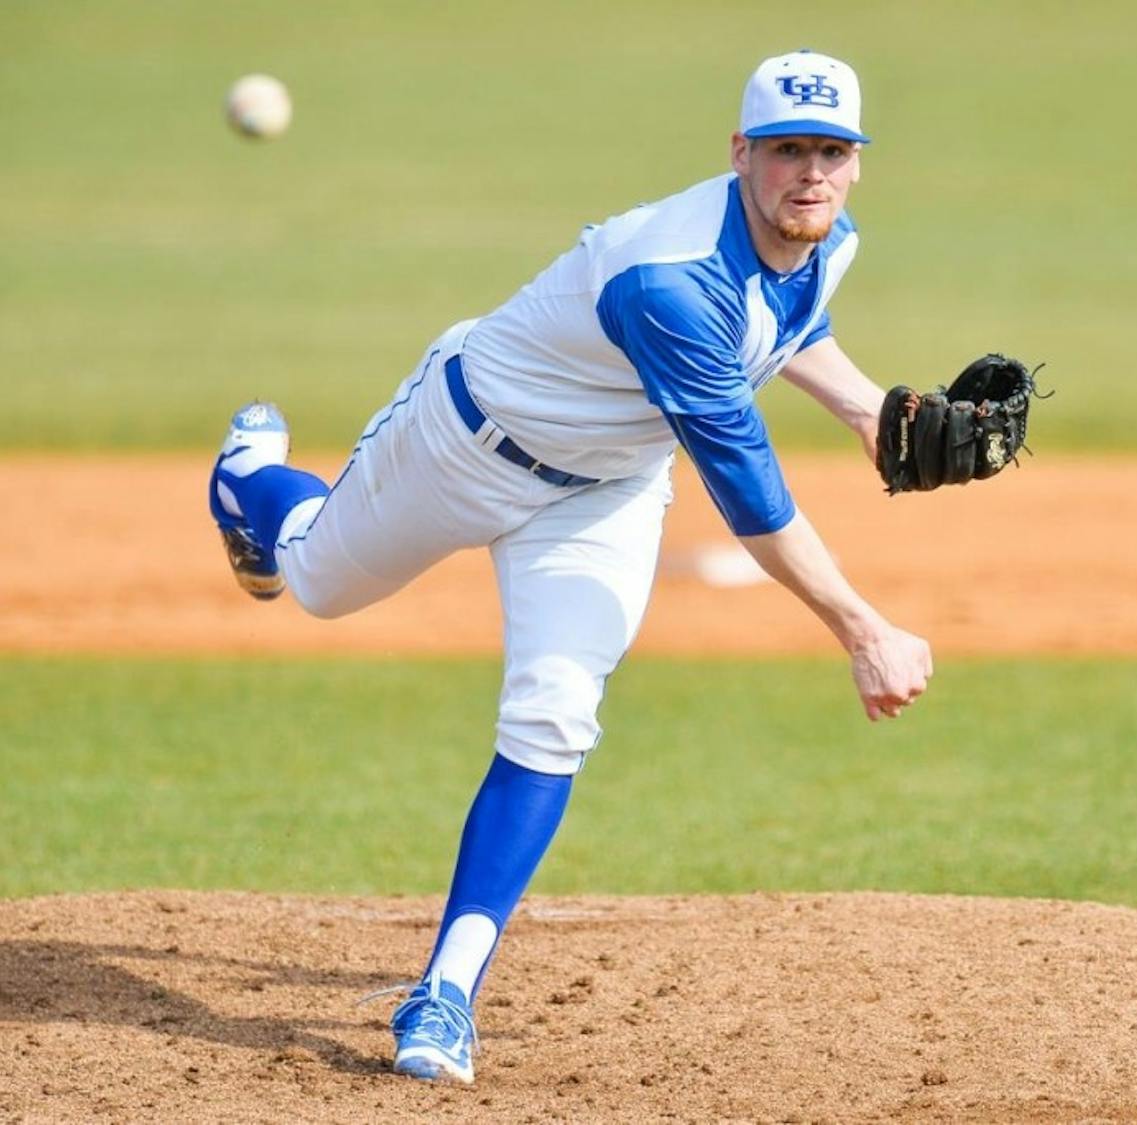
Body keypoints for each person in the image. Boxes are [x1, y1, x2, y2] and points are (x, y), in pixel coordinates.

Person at [208, 49, 932, 1084]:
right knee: (317, 582)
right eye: (785, 151)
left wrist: (867, 410)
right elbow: (751, 493)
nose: (808, 173)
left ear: (856, 163)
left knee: (554, 709)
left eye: (830, 151)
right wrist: (864, 628)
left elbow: (787, 326)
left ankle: (444, 996)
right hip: (464, 441)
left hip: (605, 491)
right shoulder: (670, 282)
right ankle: (248, 479)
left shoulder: (831, 237)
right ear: (740, 155)